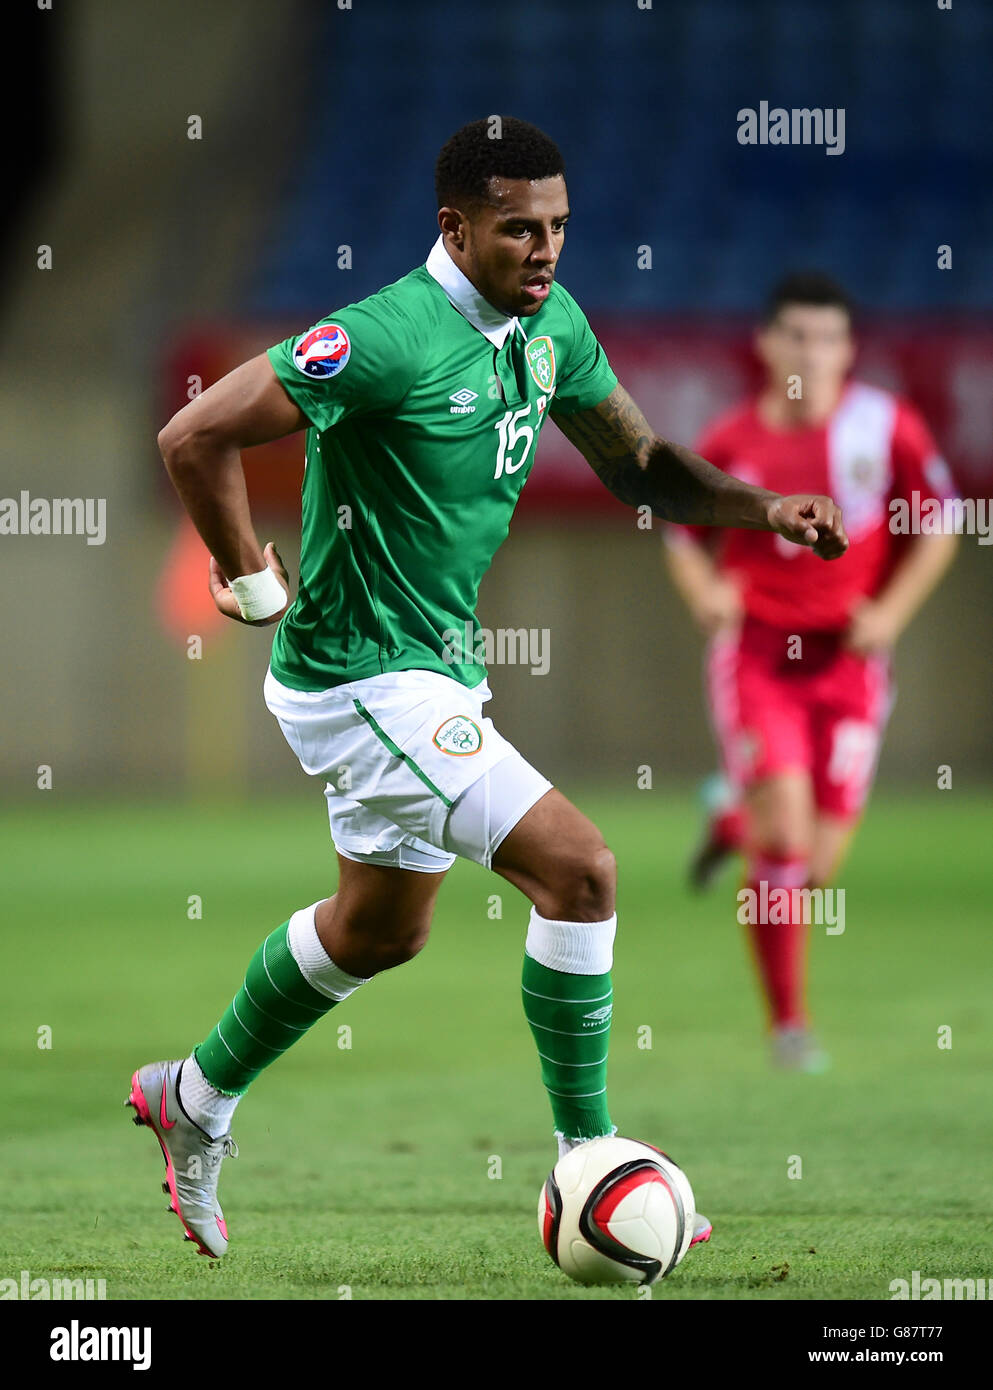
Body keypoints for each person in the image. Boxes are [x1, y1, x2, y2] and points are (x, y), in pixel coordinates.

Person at [128, 119, 847, 1258]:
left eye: (559, 226)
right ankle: (593, 1160)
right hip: (360, 676)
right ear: (454, 229)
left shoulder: (551, 323)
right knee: (582, 870)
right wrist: (244, 572)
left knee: (377, 932)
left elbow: (642, 465)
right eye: (519, 228)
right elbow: (192, 435)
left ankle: (193, 1096)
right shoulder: (382, 337)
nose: (546, 248)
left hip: (433, 671)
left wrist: (764, 510)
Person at [664, 272, 959, 1071]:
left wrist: (890, 613)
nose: (811, 352)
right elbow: (681, 529)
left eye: (826, 337)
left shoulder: (882, 426)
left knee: (810, 868)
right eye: (795, 334)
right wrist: (707, 591)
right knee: (788, 844)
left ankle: (731, 821)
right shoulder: (730, 440)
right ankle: (788, 1027)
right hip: (759, 659)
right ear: (765, 343)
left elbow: (940, 523)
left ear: (847, 348)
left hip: (850, 667)